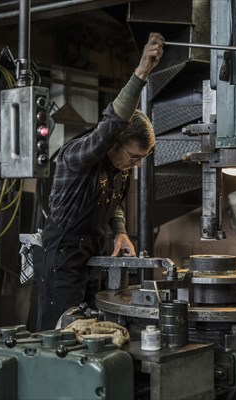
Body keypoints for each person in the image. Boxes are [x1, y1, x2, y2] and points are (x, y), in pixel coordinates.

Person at [34, 33, 165, 331]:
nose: (138, 165)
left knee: (92, 331)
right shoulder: (79, 155)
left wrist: (120, 232)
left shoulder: (119, 167)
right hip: (63, 260)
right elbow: (110, 126)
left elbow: (114, 203)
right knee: (63, 335)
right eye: (134, 157)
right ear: (114, 143)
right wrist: (141, 72)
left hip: (92, 253)